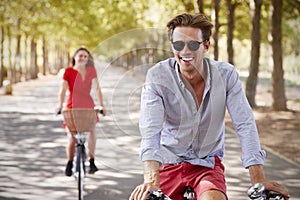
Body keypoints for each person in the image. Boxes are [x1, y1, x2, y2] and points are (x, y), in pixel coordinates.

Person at [129, 13, 289, 200]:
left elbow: (244, 124)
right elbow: (151, 131)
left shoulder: (226, 75)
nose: (185, 51)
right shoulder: (158, 76)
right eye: (178, 45)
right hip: (167, 164)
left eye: (193, 44)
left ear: (205, 45)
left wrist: (258, 179)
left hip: (206, 167)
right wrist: (151, 180)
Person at [56, 46, 106, 176]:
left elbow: (97, 88)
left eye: (85, 56)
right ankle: (69, 162)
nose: (83, 58)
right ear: (74, 57)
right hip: (72, 106)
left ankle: (92, 161)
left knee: (92, 131)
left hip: (87, 106)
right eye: (80, 56)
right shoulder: (68, 71)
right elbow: (62, 90)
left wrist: (102, 105)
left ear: (88, 59)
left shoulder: (91, 71)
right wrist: (59, 105)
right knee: (71, 138)